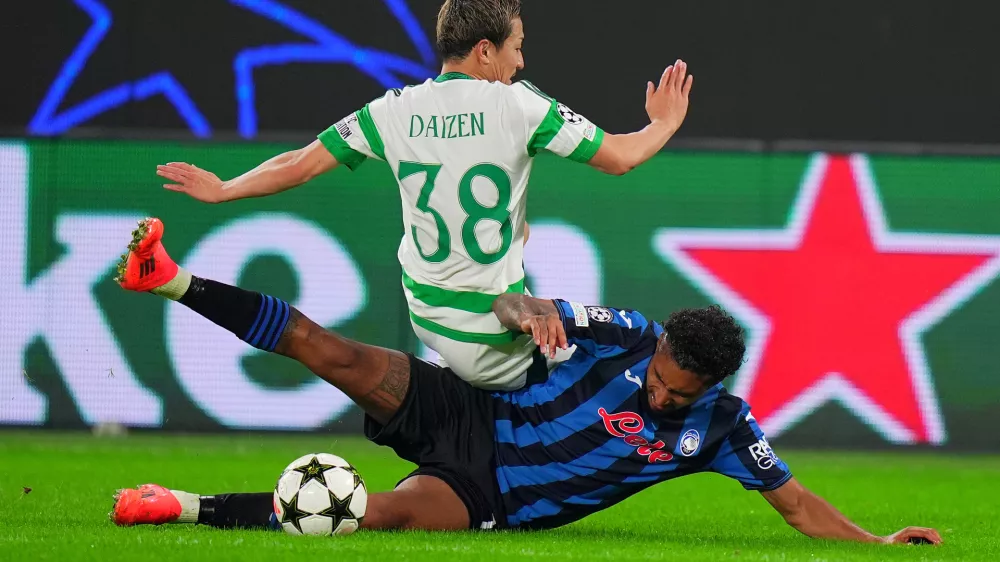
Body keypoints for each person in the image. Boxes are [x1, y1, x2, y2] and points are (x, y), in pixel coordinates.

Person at [111, 218, 941, 544]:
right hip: (472, 405)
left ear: (712, 389)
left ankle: (180, 507)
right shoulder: (630, 336)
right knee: (333, 354)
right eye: (658, 381)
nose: (659, 397)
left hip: (489, 489)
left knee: (379, 515)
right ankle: (172, 280)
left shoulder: (723, 428)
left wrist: (875, 545)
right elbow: (515, 300)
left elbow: (795, 502)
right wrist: (530, 313)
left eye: (677, 397)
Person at [149, 0, 694, 391]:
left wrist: (224, 190)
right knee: (638, 357)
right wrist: (664, 124)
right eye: (517, 48)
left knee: (517, 233)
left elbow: (298, 164)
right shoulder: (520, 105)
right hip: (495, 337)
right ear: (485, 51)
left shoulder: (391, 111)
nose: (521, 62)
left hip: (429, 317)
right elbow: (623, 157)